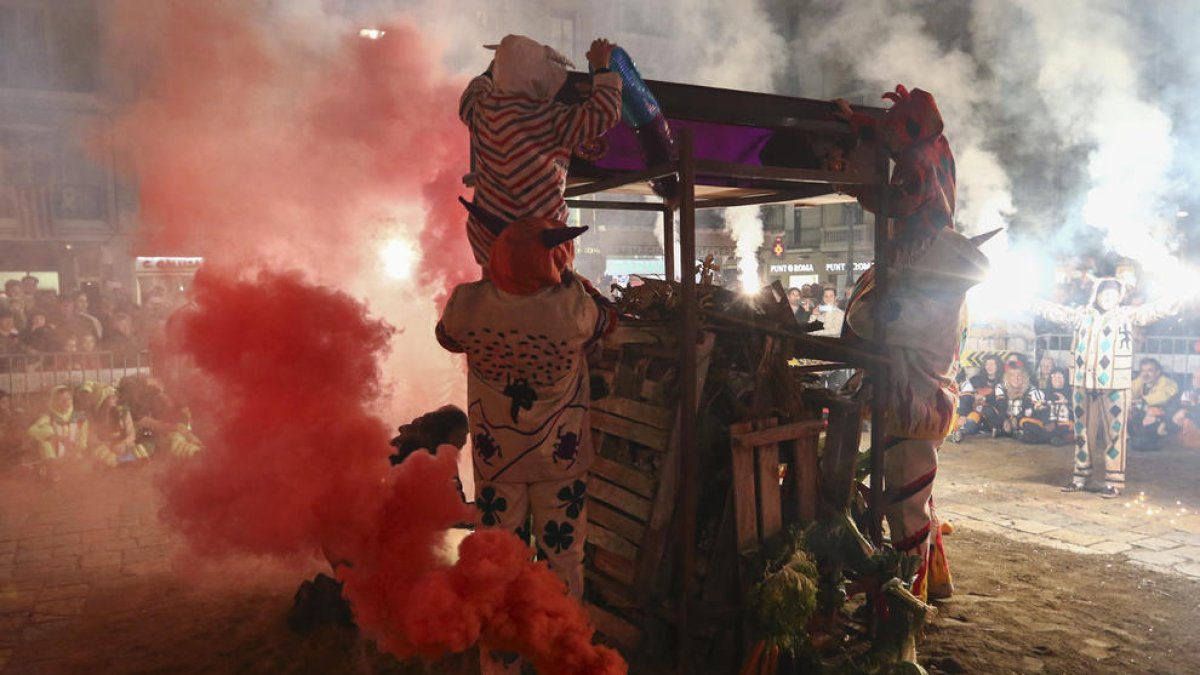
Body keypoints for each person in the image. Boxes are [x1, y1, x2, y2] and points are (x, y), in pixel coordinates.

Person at [437, 203, 616, 675]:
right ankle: (564, 656)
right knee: (564, 559)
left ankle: (501, 662)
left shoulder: (468, 303)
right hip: (562, 461)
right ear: (557, 257)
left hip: (498, 464)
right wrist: (574, 280)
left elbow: (447, 337)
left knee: (498, 562)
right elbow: (608, 321)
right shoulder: (573, 308)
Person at [459, 35, 622, 271]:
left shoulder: (483, 111)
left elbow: (471, 96)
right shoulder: (551, 117)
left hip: (491, 242)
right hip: (541, 241)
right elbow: (605, 112)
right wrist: (601, 67)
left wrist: (492, 70)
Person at [1035, 278, 1178, 498]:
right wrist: (1031, 302)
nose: (1108, 298)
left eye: (1112, 295)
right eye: (1104, 294)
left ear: (1119, 297)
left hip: (1114, 385)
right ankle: (1081, 477)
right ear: (1096, 295)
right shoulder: (1082, 315)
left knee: (1115, 434)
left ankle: (1114, 480)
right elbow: (1056, 312)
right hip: (1083, 383)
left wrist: (1175, 298)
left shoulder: (1125, 315)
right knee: (1082, 432)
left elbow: (1151, 312)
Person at [27, 385, 89, 481]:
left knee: (86, 470)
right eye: (62, 399)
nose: (66, 402)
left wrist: (78, 449)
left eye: (68, 398)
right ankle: (52, 468)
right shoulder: (49, 416)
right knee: (45, 432)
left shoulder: (79, 417)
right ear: (54, 401)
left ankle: (67, 468)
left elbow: (83, 441)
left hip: (72, 453)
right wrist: (55, 437)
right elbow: (31, 431)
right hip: (54, 454)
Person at [88, 384, 150, 467]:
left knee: (139, 450)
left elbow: (131, 435)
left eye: (115, 396)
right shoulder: (95, 415)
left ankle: (122, 462)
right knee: (102, 454)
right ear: (103, 399)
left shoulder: (123, 412)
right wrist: (108, 445)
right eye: (112, 397)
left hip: (122, 447)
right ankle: (122, 462)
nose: (116, 399)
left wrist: (123, 444)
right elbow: (92, 438)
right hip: (106, 448)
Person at [1128, 358, 1179, 452]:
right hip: (1146, 413)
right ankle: (1130, 438)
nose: (1145, 374)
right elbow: (1129, 391)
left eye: (1150, 371)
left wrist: (1140, 402)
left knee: (1152, 411)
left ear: (1158, 372)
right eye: (1143, 370)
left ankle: (1153, 441)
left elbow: (1162, 397)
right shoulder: (1140, 380)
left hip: (1167, 419)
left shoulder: (1167, 382)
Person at [953, 355, 1003, 440]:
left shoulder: (1002, 381)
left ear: (998, 366)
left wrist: (985, 398)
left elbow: (1002, 401)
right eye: (987, 364)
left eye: (992, 364)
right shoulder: (975, 379)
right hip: (974, 411)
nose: (989, 367)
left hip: (992, 414)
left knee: (970, 424)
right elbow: (966, 397)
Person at [1021, 368, 1074, 446]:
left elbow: (1076, 413)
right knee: (1024, 421)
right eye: (1054, 377)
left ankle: (1040, 439)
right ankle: (1052, 439)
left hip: (1062, 424)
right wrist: (1036, 407)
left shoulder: (1072, 394)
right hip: (1045, 423)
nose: (1056, 379)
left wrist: (1066, 402)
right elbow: (1029, 412)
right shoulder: (1043, 393)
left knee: (1071, 427)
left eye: (1060, 377)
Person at [994, 358, 1044, 439]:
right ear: (1007, 377)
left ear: (1024, 377)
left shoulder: (1032, 389)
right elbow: (1001, 405)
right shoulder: (1001, 387)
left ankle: (1014, 432)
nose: (1016, 378)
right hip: (1005, 418)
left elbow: (1030, 409)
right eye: (1012, 375)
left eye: (1019, 376)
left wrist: (1017, 419)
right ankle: (1006, 430)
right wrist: (1006, 419)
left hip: (1023, 418)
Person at [1170, 368, 1200, 449]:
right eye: (1195, 377)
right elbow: (1176, 406)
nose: (1197, 381)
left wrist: (1186, 411)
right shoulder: (1187, 392)